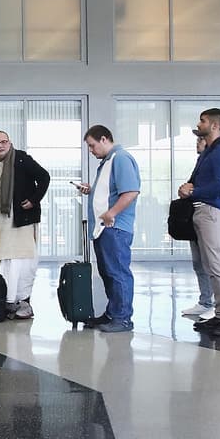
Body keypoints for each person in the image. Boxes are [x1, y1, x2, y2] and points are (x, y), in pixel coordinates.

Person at [0, 131, 50, 320]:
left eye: (4, 142)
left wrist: (33, 200)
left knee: (19, 260)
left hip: (19, 219)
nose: (0, 146)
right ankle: (5, 299)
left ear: (10, 142)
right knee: (1, 259)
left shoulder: (21, 159)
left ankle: (20, 300)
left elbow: (44, 177)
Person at [181, 108, 220, 338]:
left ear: (215, 126)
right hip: (202, 211)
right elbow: (196, 180)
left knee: (219, 265)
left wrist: (194, 191)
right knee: (210, 267)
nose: (199, 123)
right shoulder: (209, 151)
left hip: (214, 212)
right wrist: (186, 188)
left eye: (203, 121)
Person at [76, 125, 140, 333]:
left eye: (92, 146)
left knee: (118, 273)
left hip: (115, 228)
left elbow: (130, 192)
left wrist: (112, 213)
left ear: (104, 139)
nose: (91, 151)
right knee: (108, 272)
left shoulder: (120, 158)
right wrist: (91, 190)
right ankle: (112, 313)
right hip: (103, 229)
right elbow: (109, 192)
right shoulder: (107, 162)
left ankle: (122, 318)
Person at [180, 135, 216, 320]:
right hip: (196, 214)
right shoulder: (200, 161)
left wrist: (192, 190)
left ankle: (217, 305)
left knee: (211, 262)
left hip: (209, 214)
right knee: (198, 262)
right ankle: (205, 301)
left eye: (200, 141)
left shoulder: (215, 158)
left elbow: (218, 186)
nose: (197, 143)